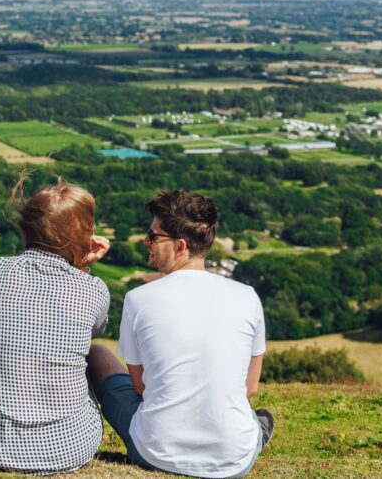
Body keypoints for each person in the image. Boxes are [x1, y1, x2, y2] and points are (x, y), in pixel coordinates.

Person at [87, 190, 274, 478]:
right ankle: (255, 432)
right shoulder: (247, 296)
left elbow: (141, 389)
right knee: (240, 408)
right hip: (234, 462)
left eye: (153, 236)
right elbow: (249, 388)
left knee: (98, 353)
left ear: (180, 246)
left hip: (155, 453)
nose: (146, 241)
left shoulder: (139, 298)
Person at [0, 176, 111, 474]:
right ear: (86, 236)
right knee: (81, 342)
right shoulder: (94, 289)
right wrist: (81, 264)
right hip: (71, 447)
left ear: (25, 228)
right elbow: (95, 330)